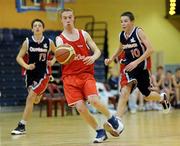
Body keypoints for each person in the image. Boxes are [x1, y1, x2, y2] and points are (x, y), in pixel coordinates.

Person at [56, 8, 123, 143]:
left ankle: (111, 118)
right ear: (61, 20)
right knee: (80, 108)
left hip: (86, 74)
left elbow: (97, 51)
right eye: (65, 18)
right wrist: (66, 55)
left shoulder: (83, 34)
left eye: (70, 17)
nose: (68, 20)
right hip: (70, 78)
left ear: (74, 18)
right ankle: (99, 131)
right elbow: (60, 57)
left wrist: (93, 58)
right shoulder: (60, 39)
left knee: (94, 100)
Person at [104, 11, 170, 120]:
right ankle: (118, 121)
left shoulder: (139, 32)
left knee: (147, 95)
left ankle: (161, 97)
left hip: (142, 67)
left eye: (125, 21)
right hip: (128, 66)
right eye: (121, 22)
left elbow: (151, 49)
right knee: (125, 91)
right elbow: (120, 49)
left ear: (132, 22)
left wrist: (136, 62)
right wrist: (111, 59)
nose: (123, 24)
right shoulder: (122, 35)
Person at [11, 19, 57, 135]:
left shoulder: (49, 42)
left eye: (39, 25)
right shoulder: (27, 42)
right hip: (30, 73)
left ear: (43, 29)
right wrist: (26, 66)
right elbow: (18, 57)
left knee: (30, 97)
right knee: (35, 100)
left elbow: (59, 53)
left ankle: (22, 125)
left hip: (44, 74)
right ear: (32, 29)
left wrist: (52, 61)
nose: (37, 27)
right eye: (35, 26)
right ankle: (40, 94)